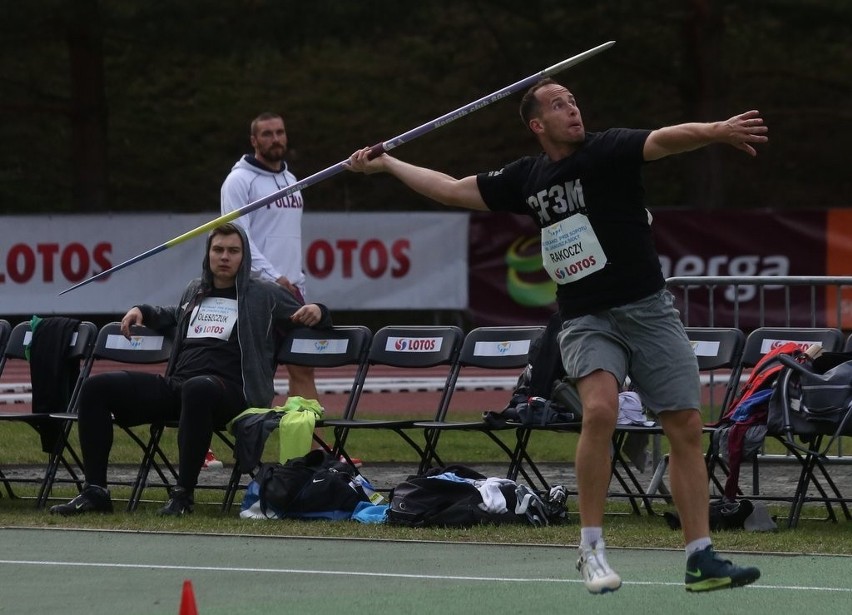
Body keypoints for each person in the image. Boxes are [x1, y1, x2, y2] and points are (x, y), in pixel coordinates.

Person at [345, 78, 768, 593]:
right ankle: (591, 549)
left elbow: (665, 138)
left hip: (649, 310)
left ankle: (700, 558)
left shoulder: (606, 149)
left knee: (684, 426)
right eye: (559, 104)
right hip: (586, 317)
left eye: (573, 100)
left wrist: (716, 131)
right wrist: (388, 163)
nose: (573, 109)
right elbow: (452, 189)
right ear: (536, 124)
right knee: (600, 411)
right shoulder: (527, 176)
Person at [50, 223, 332, 516]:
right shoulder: (196, 290)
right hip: (181, 388)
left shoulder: (265, 295)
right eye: (218, 250)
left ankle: (182, 496)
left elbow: (311, 313)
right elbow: (173, 314)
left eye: (233, 251)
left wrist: (320, 310)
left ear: (244, 256)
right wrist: (142, 311)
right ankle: (96, 491)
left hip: (233, 394)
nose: (225, 257)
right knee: (97, 387)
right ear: (208, 254)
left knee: (199, 387)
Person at [220, 112, 319, 402]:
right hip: (258, 292)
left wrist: (297, 281)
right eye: (267, 134)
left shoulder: (290, 179)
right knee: (253, 373)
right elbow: (238, 237)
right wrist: (272, 276)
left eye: (280, 132)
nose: (275, 139)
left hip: (292, 292)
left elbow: (288, 237)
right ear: (254, 140)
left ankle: (310, 446)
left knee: (303, 368)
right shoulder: (238, 181)